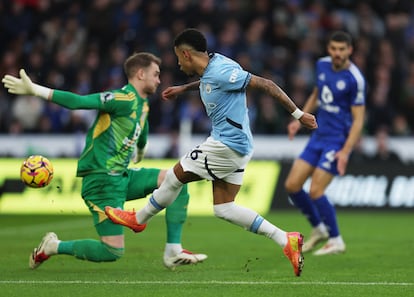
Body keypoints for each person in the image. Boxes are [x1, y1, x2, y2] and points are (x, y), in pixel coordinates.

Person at [104, 28, 318, 277]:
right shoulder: (214, 67)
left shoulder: (222, 70)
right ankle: (285, 239)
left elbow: (267, 84)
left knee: (175, 176)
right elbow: (209, 83)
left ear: (186, 54)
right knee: (224, 208)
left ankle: (138, 219)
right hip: (236, 146)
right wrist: (183, 89)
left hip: (227, 145)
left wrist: (299, 114)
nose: (177, 63)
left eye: (177, 57)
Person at [2, 52, 207, 270]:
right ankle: (54, 246)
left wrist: (140, 148)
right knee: (112, 251)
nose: (159, 80)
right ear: (140, 74)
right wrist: (36, 90)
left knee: (177, 180)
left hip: (122, 176)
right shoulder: (121, 99)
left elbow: (142, 125)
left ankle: (173, 251)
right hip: (100, 181)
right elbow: (78, 102)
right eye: (155, 75)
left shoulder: (143, 104)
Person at [284, 31, 366, 255]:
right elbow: (317, 94)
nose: (337, 54)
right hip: (317, 136)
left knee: (316, 190)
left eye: (342, 49)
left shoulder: (355, 79)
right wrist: (300, 118)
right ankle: (319, 229)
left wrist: (346, 151)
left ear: (349, 50)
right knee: (292, 185)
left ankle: (336, 240)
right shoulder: (321, 65)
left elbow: (359, 119)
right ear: (329, 49)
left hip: (337, 140)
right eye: (333, 49)